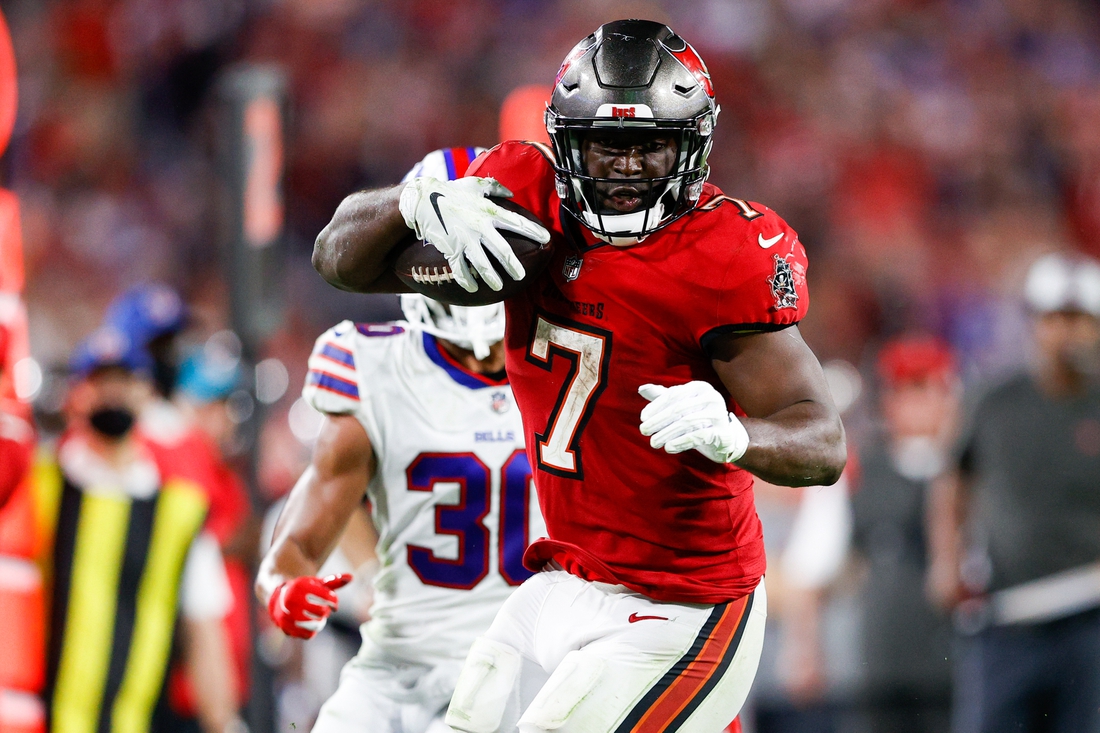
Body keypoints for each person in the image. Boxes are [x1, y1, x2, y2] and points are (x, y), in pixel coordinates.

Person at [311, 20, 846, 732]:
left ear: (692, 146)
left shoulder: (723, 257)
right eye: (606, 144)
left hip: (687, 604)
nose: (625, 167)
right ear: (566, 141)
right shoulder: (526, 200)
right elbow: (338, 258)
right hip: (565, 580)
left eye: (649, 144)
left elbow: (823, 440)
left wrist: (735, 435)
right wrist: (411, 203)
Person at [256, 147, 546, 733]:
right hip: (401, 671)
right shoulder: (373, 363)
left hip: (533, 667)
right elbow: (299, 543)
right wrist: (284, 589)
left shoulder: (569, 361)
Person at [927, 252, 1100, 733]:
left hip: (1090, 615)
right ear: (1032, 322)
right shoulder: (993, 400)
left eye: (1079, 319)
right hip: (1004, 616)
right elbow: (952, 480)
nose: (1066, 333)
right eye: (1054, 318)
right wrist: (947, 559)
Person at [40, 325, 239, 733]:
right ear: (76, 395)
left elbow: (204, 627)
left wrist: (223, 721)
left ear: (146, 394)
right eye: (100, 382)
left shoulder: (179, 511)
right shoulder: (38, 489)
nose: (112, 394)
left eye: (124, 381)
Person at [848, 336, 957, 733]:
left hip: (953, 661)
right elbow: (832, 561)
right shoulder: (860, 471)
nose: (913, 405)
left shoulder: (969, 471)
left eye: (923, 389)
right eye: (902, 391)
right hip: (882, 660)